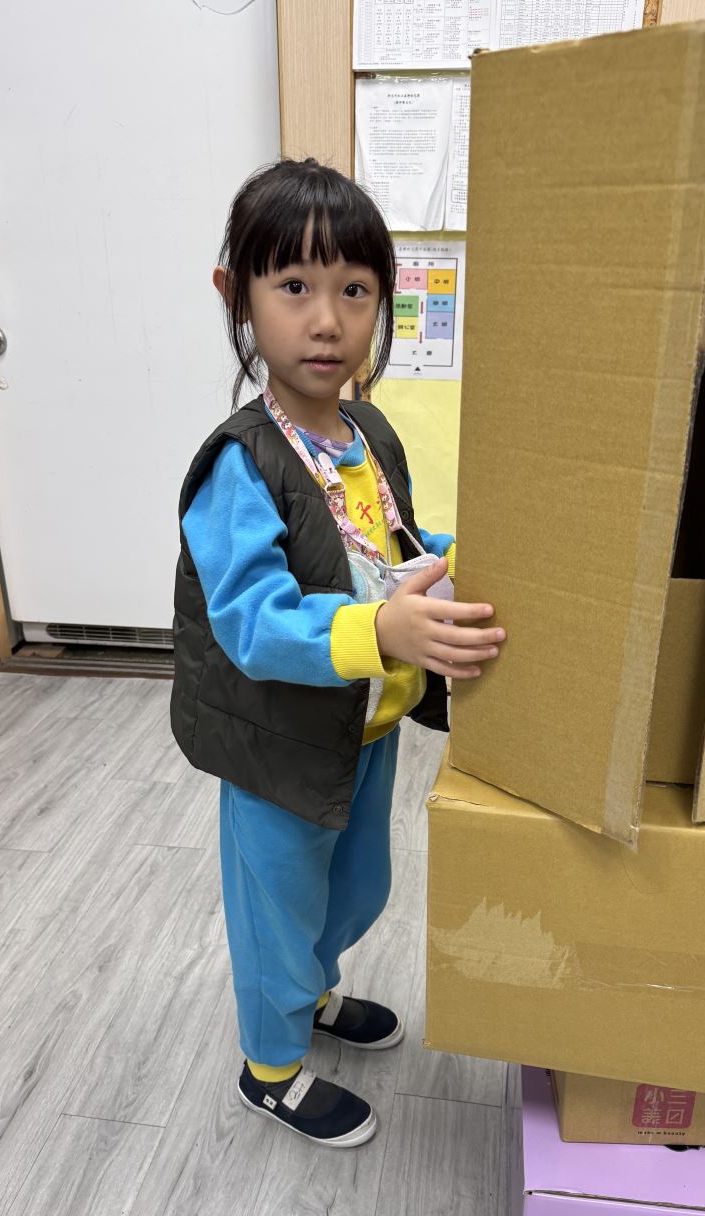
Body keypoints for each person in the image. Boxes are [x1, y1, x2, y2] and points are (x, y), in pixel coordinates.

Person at [170, 157, 505, 1148]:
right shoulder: (240, 465)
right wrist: (379, 631)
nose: (327, 321)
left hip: (364, 728)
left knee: (355, 886)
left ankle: (314, 993)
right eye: (294, 286)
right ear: (237, 295)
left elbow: (388, 546)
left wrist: (463, 556)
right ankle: (270, 1066)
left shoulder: (366, 433)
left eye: (354, 290)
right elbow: (253, 620)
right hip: (279, 742)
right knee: (278, 904)